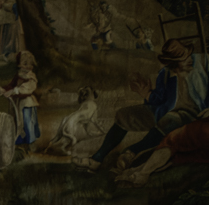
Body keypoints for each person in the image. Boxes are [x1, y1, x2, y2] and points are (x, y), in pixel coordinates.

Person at [75, 39, 209, 169]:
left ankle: (131, 152)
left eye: (188, 54)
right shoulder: (166, 73)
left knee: (169, 121)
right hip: (161, 112)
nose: (190, 59)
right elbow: (159, 100)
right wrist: (146, 93)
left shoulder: (203, 63)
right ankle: (97, 158)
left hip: (190, 115)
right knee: (124, 115)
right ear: (173, 63)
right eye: (184, 57)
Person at [0, 50, 40, 147]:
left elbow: (26, 89)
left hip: (27, 103)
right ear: (19, 64)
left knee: (26, 121)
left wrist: (14, 91)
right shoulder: (18, 75)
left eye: (30, 64)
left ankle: (29, 141)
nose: (28, 67)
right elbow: (11, 86)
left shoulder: (31, 78)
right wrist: (3, 89)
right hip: (18, 103)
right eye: (25, 64)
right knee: (17, 120)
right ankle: (19, 140)